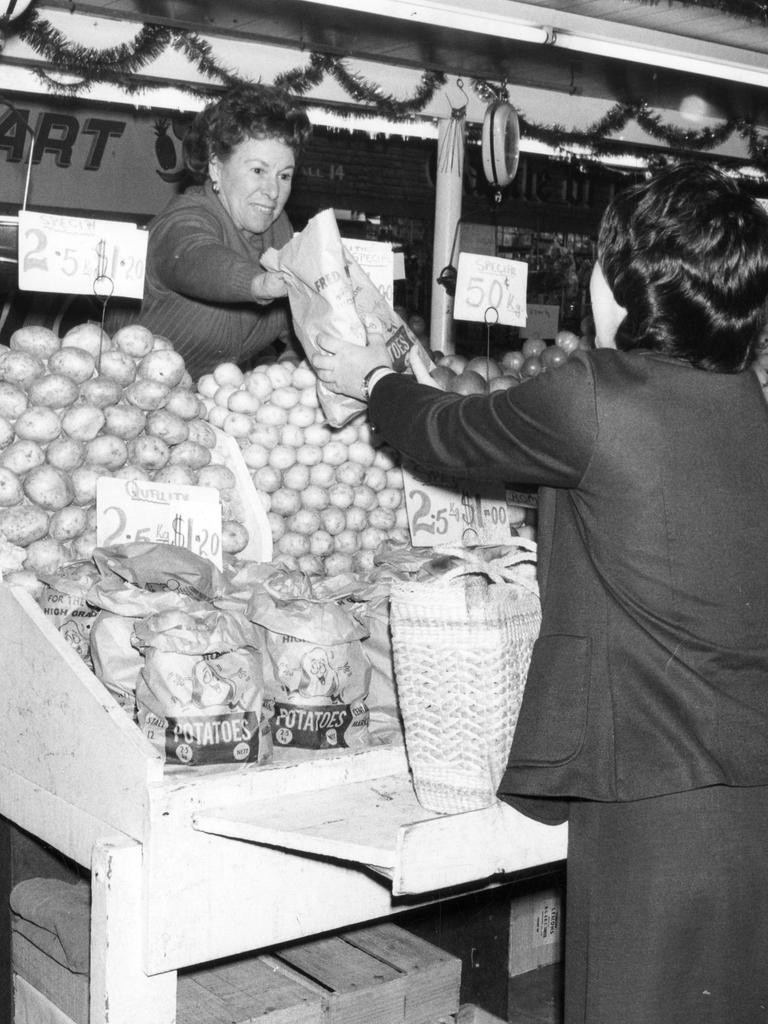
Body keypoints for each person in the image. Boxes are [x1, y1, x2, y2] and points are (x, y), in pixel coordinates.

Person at [312, 162, 768, 1024]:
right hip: (750, 785)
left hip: (652, 787)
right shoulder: (745, 401)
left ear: (632, 281)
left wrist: (375, 379)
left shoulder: (596, 392)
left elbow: (446, 433)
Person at [108, 83, 312, 380]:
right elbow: (192, 256)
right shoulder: (185, 218)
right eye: (258, 170)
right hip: (129, 399)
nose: (272, 191)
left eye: (284, 176)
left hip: (213, 409)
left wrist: (291, 364)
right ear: (216, 167)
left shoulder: (279, 231)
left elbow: (292, 324)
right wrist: (258, 284)